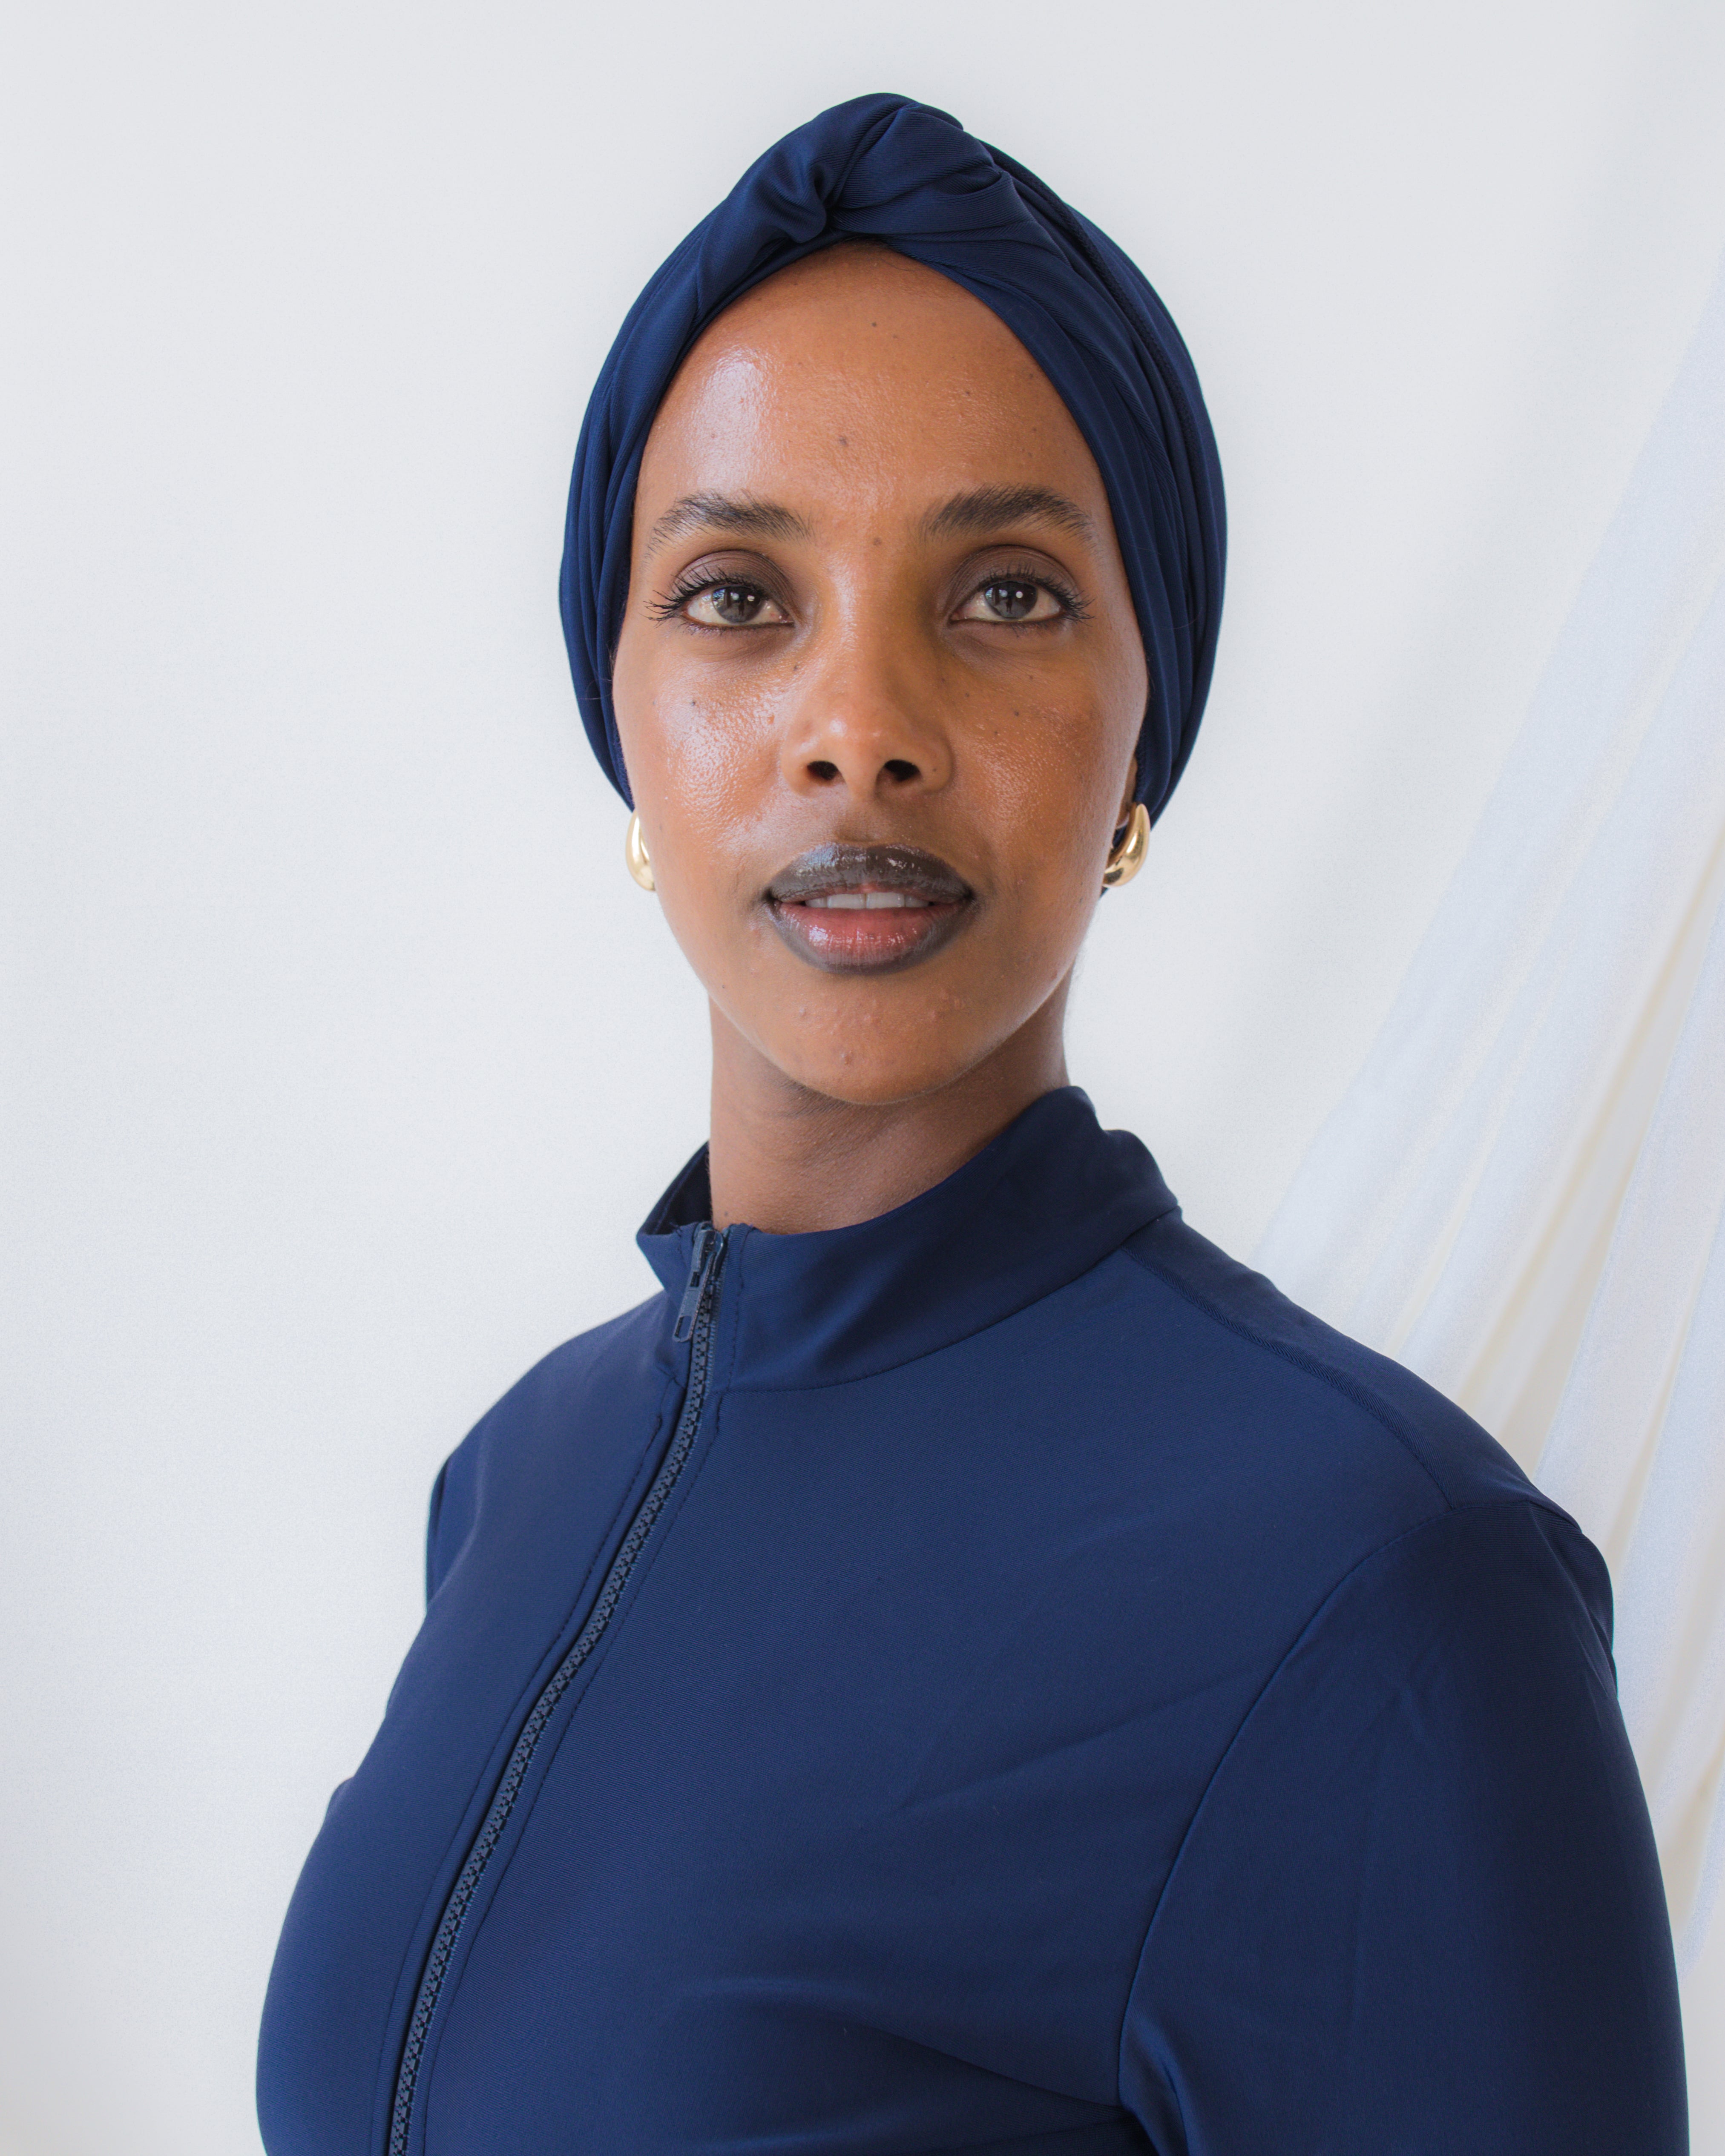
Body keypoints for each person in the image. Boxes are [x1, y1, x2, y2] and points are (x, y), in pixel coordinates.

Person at [257, 95, 1686, 2155]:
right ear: (621, 717)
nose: (859, 731)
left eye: (1005, 595)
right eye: (736, 595)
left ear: (1138, 737)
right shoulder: (517, 1479)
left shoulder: (1384, 1594)